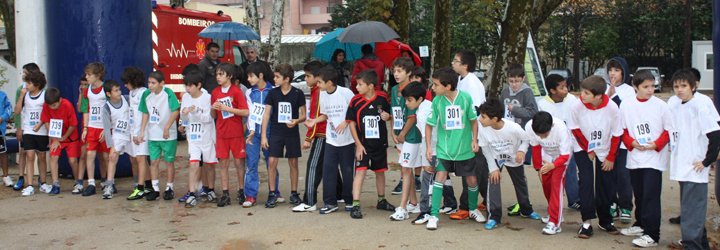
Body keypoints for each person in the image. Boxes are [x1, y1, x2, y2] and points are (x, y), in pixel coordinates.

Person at [617, 70, 674, 247]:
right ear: (635, 87)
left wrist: (657, 144)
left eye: (653, 86)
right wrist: (631, 143)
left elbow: (669, 129)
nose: (650, 90)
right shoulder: (626, 104)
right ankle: (640, 224)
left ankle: (652, 234)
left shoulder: (661, 105)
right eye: (646, 87)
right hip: (635, 156)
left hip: (654, 158)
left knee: (651, 195)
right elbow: (623, 130)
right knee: (639, 194)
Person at [425, 67, 483, 230]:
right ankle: (434, 215)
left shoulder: (465, 98)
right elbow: (429, 125)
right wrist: (429, 146)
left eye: (436, 85)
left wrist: (474, 140)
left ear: (448, 86)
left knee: (471, 180)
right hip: (444, 148)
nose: (433, 88)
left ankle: (473, 209)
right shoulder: (437, 101)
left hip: (464, 148)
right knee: (440, 177)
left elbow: (473, 120)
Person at [668, 69, 720, 250]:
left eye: (683, 86)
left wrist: (707, 160)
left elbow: (714, 134)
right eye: (676, 86)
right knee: (690, 211)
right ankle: (702, 244)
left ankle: (693, 245)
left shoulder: (700, 106)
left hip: (695, 168)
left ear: (693, 86)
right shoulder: (676, 105)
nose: (679, 89)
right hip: (682, 165)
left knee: (692, 213)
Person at [569, 75, 623, 238]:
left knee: (606, 184)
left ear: (598, 96)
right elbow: (575, 129)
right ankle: (586, 222)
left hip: (605, 148)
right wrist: (588, 150)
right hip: (582, 146)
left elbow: (617, 134)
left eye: (586, 93)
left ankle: (605, 220)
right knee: (585, 181)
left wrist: (611, 157)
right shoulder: (577, 106)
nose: (581, 95)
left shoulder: (612, 108)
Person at [478, 99, 541, 229]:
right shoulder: (483, 129)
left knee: (520, 183)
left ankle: (526, 209)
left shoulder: (513, 127)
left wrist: (521, 151)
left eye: (483, 117)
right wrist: (493, 167)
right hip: (495, 157)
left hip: (513, 156)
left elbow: (526, 140)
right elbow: (485, 149)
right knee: (493, 181)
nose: (479, 119)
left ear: (494, 118)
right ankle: (494, 216)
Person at [344, 69, 396, 218]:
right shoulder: (356, 101)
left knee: (380, 172)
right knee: (360, 171)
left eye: (360, 84)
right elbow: (351, 123)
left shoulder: (382, 98)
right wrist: (358, 145)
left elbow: (388, 115)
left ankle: (381, 200)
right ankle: (355, 204)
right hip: (363, 144)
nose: (357, 87)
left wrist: (388, 117)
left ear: (371, 86)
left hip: (379, 143)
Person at [293, 61, 343, 212]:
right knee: (330, 166)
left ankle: (309, 201)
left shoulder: (318, 92)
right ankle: (340, 194)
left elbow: (315, 117)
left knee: (314, 166)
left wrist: (309, 138)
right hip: (330, 133)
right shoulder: (321, 90)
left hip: (322, 134)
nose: (306, 79)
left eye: (308, 76)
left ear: (318, 77)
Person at [304, 67, 355, 214]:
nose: (318, 85)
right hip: (331, 140)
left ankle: (349, 200)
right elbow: (325, 115)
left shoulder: (346, 93)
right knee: (328, 170)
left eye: (320, 82)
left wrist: (346, 122)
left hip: (347, 139)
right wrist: (314, 121)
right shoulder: (322, 94)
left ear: (330, 82)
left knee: (347, 171)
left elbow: (355, 111)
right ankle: (330, 202)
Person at [451, 49, 490, 219]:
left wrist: (471, 137)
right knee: (479, 171)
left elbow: (474, 111)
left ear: (465, 65)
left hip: (475, 135)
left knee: (471, 171)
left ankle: (466, 207)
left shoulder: (473, 84)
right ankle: (489, 200)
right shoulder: (461, 80)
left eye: (456, 60)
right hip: (465, 133)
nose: (453, 63)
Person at [260, 63, 305, 208]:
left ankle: (294, 193)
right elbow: (266, 114)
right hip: (276, 132)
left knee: (293, 162)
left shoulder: (298, 93)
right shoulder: (273, 93)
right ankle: (272, 193)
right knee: (272, 162)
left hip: (291, 133)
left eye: (277, 77)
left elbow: (304, 115)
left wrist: (296, 120)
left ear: (286, 79)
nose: (274, 79)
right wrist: (263, 136)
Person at [537, 74, 581, 211]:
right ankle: (554, 203)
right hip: (551, 146)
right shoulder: (543, 104)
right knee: (552, 175)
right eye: (562, 87)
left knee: (571, 171)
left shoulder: (572, 100)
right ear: (552, 90)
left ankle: (574, 200)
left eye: (566, 86)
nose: (566, 89)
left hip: (569, 143)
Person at [499, 62, 539, 215]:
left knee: (518, 175)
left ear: (523, 79)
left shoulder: (526, 92)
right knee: (493, 171)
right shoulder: (504, 92)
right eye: (511, 81)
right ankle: (489, 203)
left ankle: (525, 206)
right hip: (504, 137)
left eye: (517, 81)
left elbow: (533, 112)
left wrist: (514, 109)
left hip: (520, 137)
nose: (514, 84)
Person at [526, 111, 573, 235]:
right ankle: (555, 212)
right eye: (539, 135)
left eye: (544, 135)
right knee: (546, 185)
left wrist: (553, 165)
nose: (541, 138)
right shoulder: (530, 127)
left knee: (556, 185)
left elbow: (565, 155)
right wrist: (538, 169)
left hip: (561, 159)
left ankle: (555, 222)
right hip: (546, 156)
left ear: (551, 126)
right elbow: (535, 148)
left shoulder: (561, 128)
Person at [210, 63, 249, 207]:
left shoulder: (237, 91)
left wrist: (228, 108)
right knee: (223, 164)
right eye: (217, 74)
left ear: (230, 76)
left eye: (221, 74)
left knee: (239, 163)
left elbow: (245, 112)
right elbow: (214, 115)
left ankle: (241, 191)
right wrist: (213, 108)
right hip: (221, 132)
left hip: (236, 132)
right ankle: (225, 193)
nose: (218, 77)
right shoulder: (215, 92)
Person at [389, 57, 423, 219]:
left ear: (409, 72)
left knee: (405, 169)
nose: (396, 74)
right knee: (407, 168)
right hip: (400, 136)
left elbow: (413, 116)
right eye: (394, 71)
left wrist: (402, 133)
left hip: (411, 136)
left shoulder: (412, 89)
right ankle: (414, 203)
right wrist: (393, 132)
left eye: (400, 71)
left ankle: (402, 207)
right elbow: (393, 113)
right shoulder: (395, 89)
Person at [139, 71, 180, 201]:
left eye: (153, 83)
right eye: (149, 82)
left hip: (168, 135)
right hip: (153, 133)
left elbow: (175, 110)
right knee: (154, 161)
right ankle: (155, 188)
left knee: (169, 162)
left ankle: (169, 187)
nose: (150, 86)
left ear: (161, 83)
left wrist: (167, 127)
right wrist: (142, 130)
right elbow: (145, 112)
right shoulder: (146, 95)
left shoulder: (168, 93)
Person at [243, 62, 280, 207]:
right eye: (247, 76)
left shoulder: (273, 90)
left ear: (260, 75)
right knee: (251, 163)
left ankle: (275, 192)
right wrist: (251, 131)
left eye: (251, 76)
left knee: (271, 162)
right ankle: (251, 195)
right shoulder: (249, 92)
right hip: (254, 132)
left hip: (271, 131)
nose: (248, 79)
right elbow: (250, 113)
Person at [179, 71, 217, 208]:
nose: (187, 89)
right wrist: (183, 119)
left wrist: (195, 112)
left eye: (190, 86)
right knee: (194, 164)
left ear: (198, 85)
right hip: (193, 138)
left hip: (206, 137)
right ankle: (192, 193)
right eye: (186, 86)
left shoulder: (207, 98)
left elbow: (209, 118)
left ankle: (211, 190)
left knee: (209, 165)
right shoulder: (186, 98)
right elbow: (183, 118)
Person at [604, 57, 634, 223]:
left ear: (623, 72)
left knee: (624, 176)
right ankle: (612, 204)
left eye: (616, 70)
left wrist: (614, 96)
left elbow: (625, 112)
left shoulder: (628, 91)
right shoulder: (604, 89)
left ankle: (626, 206)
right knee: (609, 176)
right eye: (611, 70)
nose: (613, 73)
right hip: (607, 141)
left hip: (622, 142)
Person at [14, 70, 48, 196]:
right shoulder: (25, 95)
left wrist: (41, 124)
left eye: (29, 83)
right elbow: (17, 111)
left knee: (42, 157)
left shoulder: (45, 95)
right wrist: (21, 96)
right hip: (28, 130)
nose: (26, 85)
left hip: (42, 131)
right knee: (29, 156)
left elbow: (49, 113)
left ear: (37, 84)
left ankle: (43, 182)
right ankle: (29, 185)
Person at [79, 62, 111, 196]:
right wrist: (85, 129)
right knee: (90, 154)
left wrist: (107, 127)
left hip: (104, 127)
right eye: (86, 74)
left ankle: (110, 182)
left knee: (106, 156)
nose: (87, 77)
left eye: (89, 74)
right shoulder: (87, 90)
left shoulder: (107, 88)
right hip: (92, 126)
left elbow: (112, 109)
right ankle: (91, 183)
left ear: (97, 76)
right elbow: (86, 110)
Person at [41, 88, 80, 195]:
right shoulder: (46, 105)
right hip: (56, 137)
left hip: (70, 136)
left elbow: (73, 124)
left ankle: (77, 182)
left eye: (54, 105)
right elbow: (46, 121)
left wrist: (64, 137)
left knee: (73, 161)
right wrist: (54, 138)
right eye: (49, 105)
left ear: (60, 100)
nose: (51, 108)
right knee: (53, 156)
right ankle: (55, 183)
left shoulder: (67, 105)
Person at [122, 67, 154, 200]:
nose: (125, 85)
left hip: (143, 131)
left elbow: (142, 115)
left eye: (127, 82)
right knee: (138, 158)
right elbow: (133, 115)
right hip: (134, 131)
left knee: (141, 158)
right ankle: (148, 185)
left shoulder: (144, 93)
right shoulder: (132, 93)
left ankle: (140, 188)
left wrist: (138, 133)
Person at [99, 80, 132, 199]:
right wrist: (111, 145)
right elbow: (107, 128)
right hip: (118, 134)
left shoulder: (127, 99)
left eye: (119, 89)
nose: (119, 92)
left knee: (134, 158)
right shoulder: (106, 107)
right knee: (112, 157)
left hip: (130, 133)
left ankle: (138, 184)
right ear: (108, 94)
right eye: (116, 90)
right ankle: (109, 186)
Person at [12, 63, 40, 190]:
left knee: (40, 153)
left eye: (25, 72)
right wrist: (18, 127)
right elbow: (18, 110)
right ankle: (21, 178)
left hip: (39, 127)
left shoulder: (42, 90)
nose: (23, 75)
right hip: (25, 125)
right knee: (23, 152)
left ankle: (41, 178)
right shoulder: (20, 90)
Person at [0, 86, 10, 188]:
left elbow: (9, 108)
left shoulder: (2, 95)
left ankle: (6, 176)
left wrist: (2, 118)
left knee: (2, 152)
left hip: (0, 130)